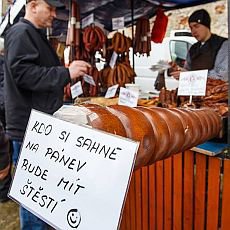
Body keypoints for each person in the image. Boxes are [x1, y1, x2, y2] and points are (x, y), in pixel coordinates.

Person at [4, 0, 91, 229]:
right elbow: (23, 74)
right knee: (34, 195)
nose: (54, 14)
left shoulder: (34, 34)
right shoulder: (22, 32)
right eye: (50, 8)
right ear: (32, 6)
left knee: (42, 193)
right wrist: (66, 73)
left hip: (38, 125)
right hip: (28, 128)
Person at [170, 9, 228, 81]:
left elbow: (222, 75)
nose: (193, 31)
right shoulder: (193, 48)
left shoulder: (224, 44)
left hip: (217, 90)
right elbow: (188, 69)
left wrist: (189, 75)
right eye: (191, 28)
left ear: (206, 26)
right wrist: (179, 72)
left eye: (196, 26)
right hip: (195, 91)